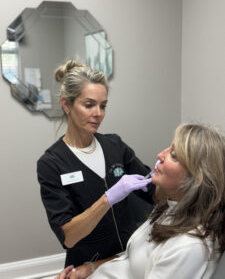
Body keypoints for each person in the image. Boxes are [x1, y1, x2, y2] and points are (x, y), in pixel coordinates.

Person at [56, 122, 225, 279]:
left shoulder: (189, 247)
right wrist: (90, 268)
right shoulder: (169, 209)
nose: (160, 155)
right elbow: (132, 261)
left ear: (196, 178)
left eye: (173, 155)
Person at [37, 60, 156, 268]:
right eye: (89, 104)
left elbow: (151, 190)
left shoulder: (115, 145)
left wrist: (171, 174)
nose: (98, 113)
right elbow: (69, 237)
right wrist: (108, 199)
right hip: (87, 266)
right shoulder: (51, 163)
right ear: (67, 105)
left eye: (103, 106)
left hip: (127, 259)